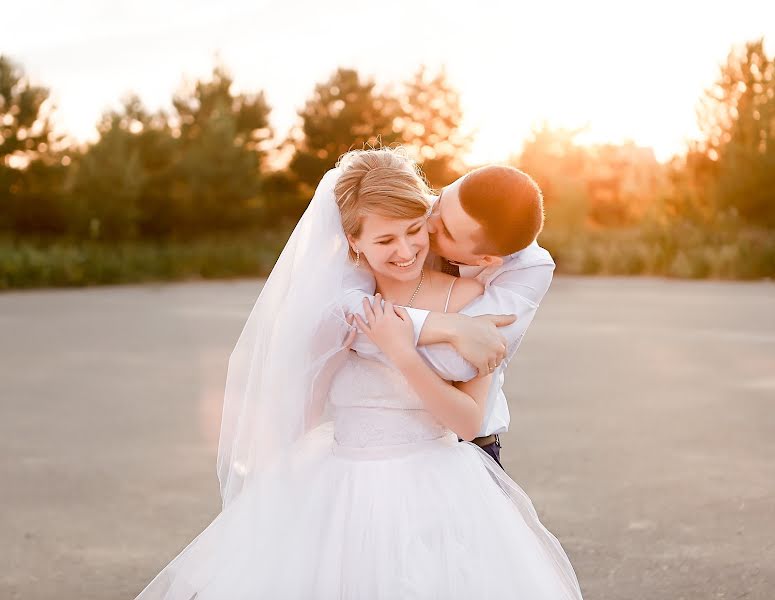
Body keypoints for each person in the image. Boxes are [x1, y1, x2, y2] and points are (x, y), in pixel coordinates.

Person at [134, 148, 583, 599]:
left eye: (432, 230)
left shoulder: (507, 277)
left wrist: (405, 344)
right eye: (437, 203)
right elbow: (331, 333)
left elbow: (462, 369)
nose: (421, 230)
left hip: (449, 462)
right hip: (341, 471)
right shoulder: (358, 274)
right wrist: (437, 327)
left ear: (485, 259)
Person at [343, 162, 555, 468]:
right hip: (367, 449)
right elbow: (339, 311)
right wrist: (447, 327)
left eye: (444, 231)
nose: (427, 223)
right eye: (440, 201)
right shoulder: (407, 216)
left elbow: (457, 362)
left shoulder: (527, 269)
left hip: (467, 447)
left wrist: (393, 340)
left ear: (486, 260)